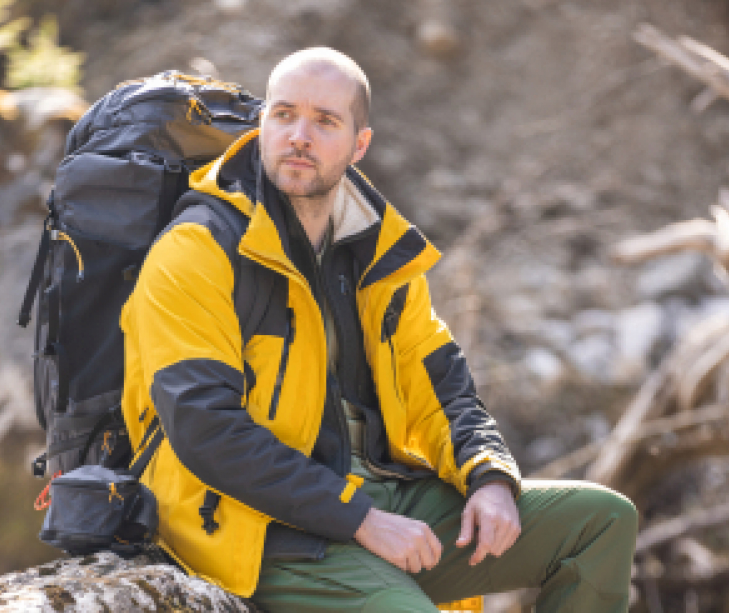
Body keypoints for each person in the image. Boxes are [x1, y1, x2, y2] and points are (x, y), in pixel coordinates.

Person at [119, 47, 638, 612]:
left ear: (359, 144)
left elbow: (443, 385)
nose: (299, 136)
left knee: (602, 523)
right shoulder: (196, 250)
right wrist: (360, 520)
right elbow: (205, 429)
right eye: (285, 114)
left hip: (377, 497)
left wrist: (490, 477)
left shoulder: (379, 252)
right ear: (263, 122)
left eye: (325, 121)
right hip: (250, 522)